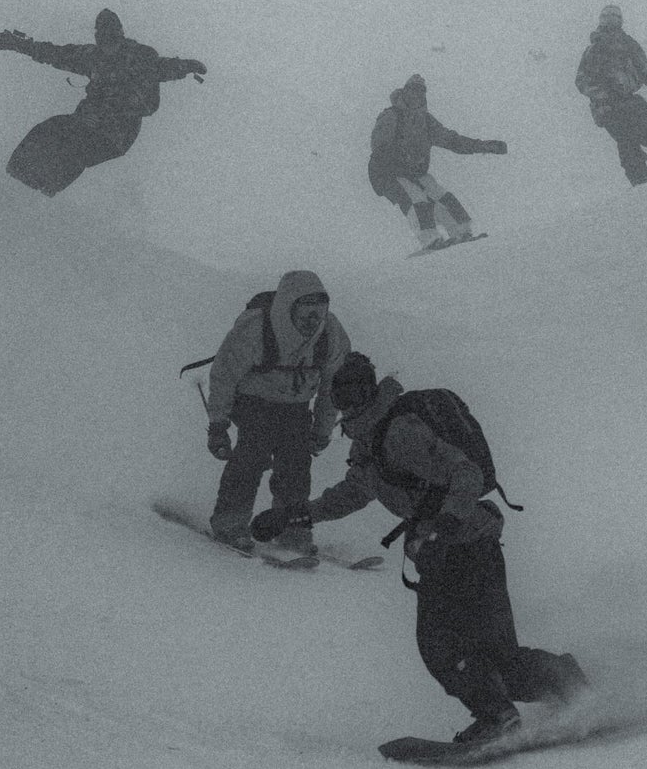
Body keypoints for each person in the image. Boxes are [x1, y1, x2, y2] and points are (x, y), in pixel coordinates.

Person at [254, 353, 587, 747]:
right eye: (337, 394)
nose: (344, 402)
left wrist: (441, 530)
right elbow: (354, 492)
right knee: (499, 656)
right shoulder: (371, 441)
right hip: (472, 544)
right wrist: (296, 516)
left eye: (352, 391)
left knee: (440, 647)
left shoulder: (398, 433)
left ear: (369, 388)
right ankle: (568, 684)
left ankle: (498, 717)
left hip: (455, 549)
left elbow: (467, 473)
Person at [204, 270, 352, 555]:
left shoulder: (331, 334)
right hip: (250, 401)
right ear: (289, 307)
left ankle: (291, 526)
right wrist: (218, 424)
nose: (313, 320)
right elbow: (224, 375)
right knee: (253, 452)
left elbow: (334, 387)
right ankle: (230, 522)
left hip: (296, 405)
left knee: (296, 463)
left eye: (319, 312)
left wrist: (322, 430)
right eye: (306, 312)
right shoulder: (255, 328)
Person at [0, 9, 206, 195]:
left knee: (75, 148)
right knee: (48, 129)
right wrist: (16, 44)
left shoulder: (140, 58)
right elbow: (55, 53)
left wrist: (186, 66)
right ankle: (15, 176)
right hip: (86, 120)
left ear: (119, 37)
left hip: (117, 132)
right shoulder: (93, 56)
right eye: (102, 42)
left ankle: (42, 191)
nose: (107, 48)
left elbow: (158, 79)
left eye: (111, 42)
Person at [368, 74, 507, 251]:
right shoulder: (392, 116)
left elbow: (452, 140)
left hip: (414, 172)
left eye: (420, 91)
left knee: (441, 196)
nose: (416, 95)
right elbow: (379, 145)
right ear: (405, 92)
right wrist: (401, 157)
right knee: (416, 198)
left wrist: (484, 146)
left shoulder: (425, 121)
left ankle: (461, 231)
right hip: (386, 171)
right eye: (412, 90)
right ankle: (430, 239)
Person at [574, 5, 647, 186]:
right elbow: (582, 81)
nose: (611, 22)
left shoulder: (621, 45)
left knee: (637, 145)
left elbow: (645, 71)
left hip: (618, 107)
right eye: (608, 18)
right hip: (616, 107)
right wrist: (604, 96)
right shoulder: (597, 50)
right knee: (643, 143)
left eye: (613, 18)